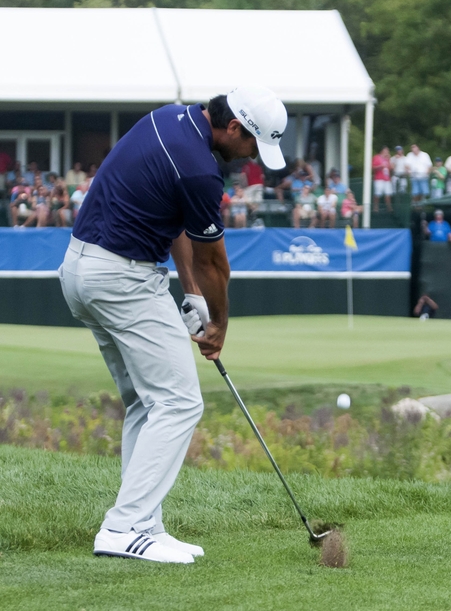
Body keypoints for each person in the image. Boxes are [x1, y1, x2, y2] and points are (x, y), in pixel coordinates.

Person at [58, 86, 287, 564]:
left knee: (148, 401)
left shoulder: (171, 118)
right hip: (122, 278)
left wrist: (190, 294)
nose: (252, 160)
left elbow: (178, 224)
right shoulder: (203, 171)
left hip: (81, 271)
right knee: (180, 402)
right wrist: (220, 324)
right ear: (233, 128)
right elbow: (215, 264)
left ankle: (144, 524)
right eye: (251, 146)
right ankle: (122, 528)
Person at [372, 146, 393, 212]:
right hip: (379, 179)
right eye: (386, 151)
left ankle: (389, 207)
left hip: (387, 179)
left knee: (388, 194)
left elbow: (391, 168)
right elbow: (373, 167)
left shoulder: (388, 159)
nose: (387, 152)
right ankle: (376, 207)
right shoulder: (377, 157)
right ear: (382, 151)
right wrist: (380, 166)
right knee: (377, 194)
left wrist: (389, 159)